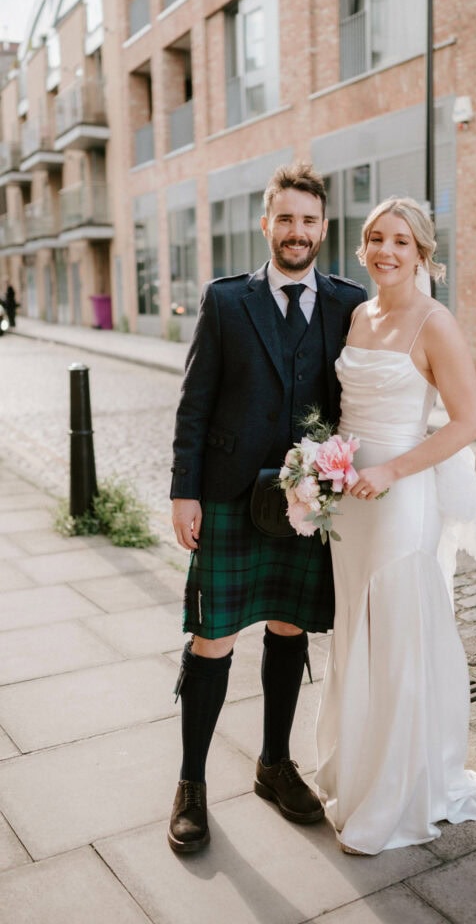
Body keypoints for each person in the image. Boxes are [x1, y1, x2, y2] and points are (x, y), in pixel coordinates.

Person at [315, 197, 476, 854]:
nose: (387, 251)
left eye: (401, 242)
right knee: (353, 630)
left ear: (421, 253)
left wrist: (391, 472)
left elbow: (465, 422)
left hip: (399, 495)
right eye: (376, 239)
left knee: (394, 634)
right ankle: (354, 772)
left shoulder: (434, 322)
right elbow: (347, 410)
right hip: (348, 499)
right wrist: (323, 463)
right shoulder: (359, 314)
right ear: (363, 249)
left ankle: (397, 789)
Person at [168, 162, 366, 854]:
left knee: (289, 630)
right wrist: (182, 490)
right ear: (266, 224)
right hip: (226, 493)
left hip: (306, 499)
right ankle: (191, 783)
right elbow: (194, 402)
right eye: (285, 218)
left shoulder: (349, 303)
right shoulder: (226, 302)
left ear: (323, 228)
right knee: (212, 635)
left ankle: (273, 764)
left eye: (308, 220)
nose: (297, 231)